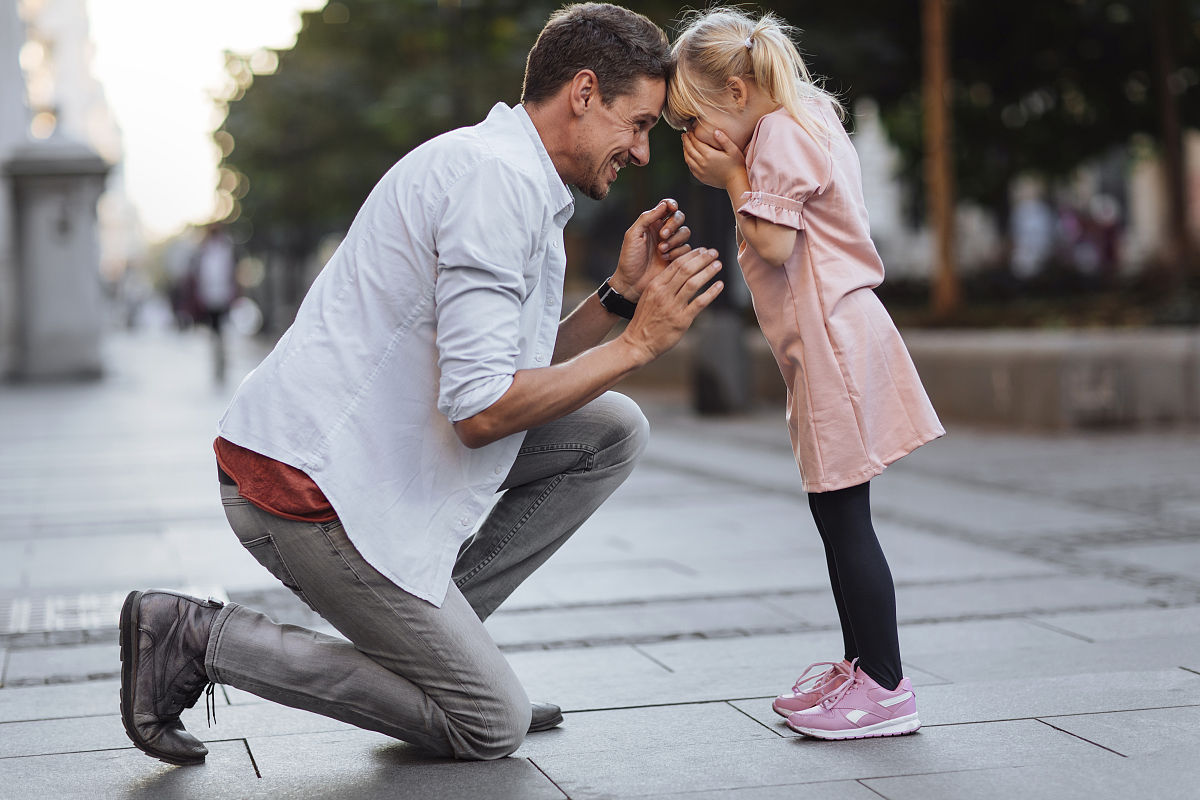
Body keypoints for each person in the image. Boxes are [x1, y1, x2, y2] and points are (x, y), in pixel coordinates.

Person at [119, 2, 725, 767]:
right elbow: (480, 412)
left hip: (356, 471)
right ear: (582, 93)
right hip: (306, 492)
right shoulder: (492, 182)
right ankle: (199, 637)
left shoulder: (516, 179)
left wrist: (618, 300)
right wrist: (639, 344)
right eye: (637, 124)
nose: (641, 152)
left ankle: (452, 663)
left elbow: (512, 372)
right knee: (488, 726)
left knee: (611, 430)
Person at [665, 7, 944, 740]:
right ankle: (861, 669)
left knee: (845, 516)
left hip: (832, 344)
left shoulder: (781, 135)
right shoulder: (807, 113)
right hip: (828, 338)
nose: (696, 136)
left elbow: (773, 242)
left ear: (734, 90)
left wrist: (730, 175)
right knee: (836, 511)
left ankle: (885, 684)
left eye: (694, 117)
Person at [188, 223, 238, 383]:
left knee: (222, 334)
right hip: (211, 297)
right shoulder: (204, 251)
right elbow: (201, 276)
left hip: (223, 296)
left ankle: (222, 366)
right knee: (216, 334)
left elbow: (231, 273)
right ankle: (218, 367)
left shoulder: (226, 249)